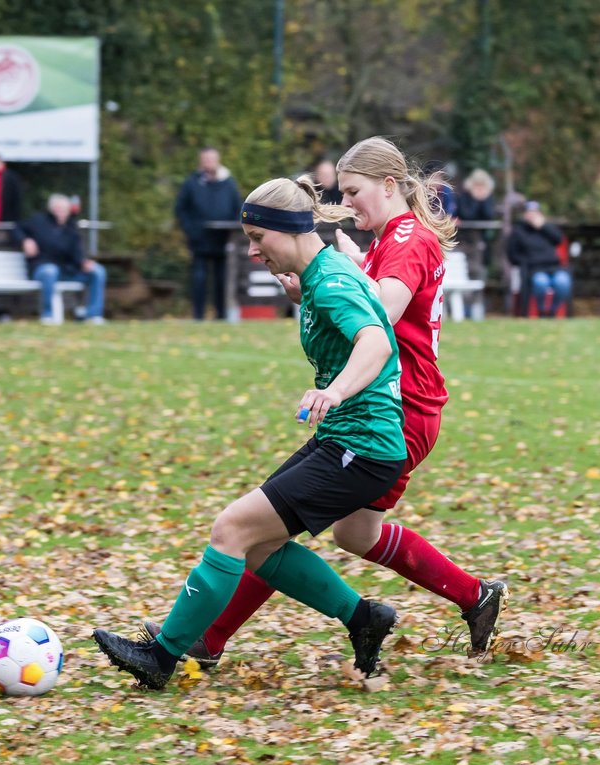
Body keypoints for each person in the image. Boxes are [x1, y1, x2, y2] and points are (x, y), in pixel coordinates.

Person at [144, 137, 508, 668]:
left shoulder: (406, 239)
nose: (349, 202)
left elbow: (378, 311)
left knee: (269, 521)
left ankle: (210, 636)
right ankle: (475, 596)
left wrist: (334, 277)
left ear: (389, 186)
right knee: (352, 532)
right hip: (393, 402)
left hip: (400, 406)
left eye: (355, 191)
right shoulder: (392, 235)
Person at [95, 175, 407, 690]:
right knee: (259, 547)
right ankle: (364, 618)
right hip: (349, 440)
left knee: (232, 530)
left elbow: (374, 341)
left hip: (363, 445)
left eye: (258, 239)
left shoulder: (328, 283)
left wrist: (335, 392)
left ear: (287, 231)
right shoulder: (318, 276)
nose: (251, 251)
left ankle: (162, 659)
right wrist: (301, 297)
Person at [14, 194, 106, 324]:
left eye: (64, 209)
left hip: (66, 271)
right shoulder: (38, 221)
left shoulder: (71, 227)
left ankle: (93, 315)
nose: (61, 212)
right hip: (42, 268)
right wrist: (25, 240)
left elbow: (76, 253)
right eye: (58, 208)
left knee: (98, 271)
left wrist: (82, 262)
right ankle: (48, 315)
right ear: (51, 208)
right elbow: (16, 228)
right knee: (50, 271)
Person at [175, 147, 242, 320]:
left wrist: (233, 231)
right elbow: (181, 209)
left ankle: (221, 315)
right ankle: (198, 316)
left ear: (218, 160)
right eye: (205, 159)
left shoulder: (229, 183)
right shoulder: (191, 183)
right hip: (199, 240)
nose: (209, 162)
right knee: (199, 279)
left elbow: (238, 208)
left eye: (212, 159)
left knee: (222, 280)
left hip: (223, 239)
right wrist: (191, 230)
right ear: (200, 161)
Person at [506, 200, 572, 318]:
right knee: (541, 283)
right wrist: (525, 262)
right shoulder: (518, 232)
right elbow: (512, 255)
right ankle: (542, 311)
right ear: (524, 215)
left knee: (563, 282)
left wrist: (544, 227)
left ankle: (552, 311)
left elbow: (558, 239)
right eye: (529, 212)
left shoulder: (547, 229)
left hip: (553, 267)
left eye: (534, 212)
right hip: (533, 269)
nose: (532, 215)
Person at [457, 168, 497, 274]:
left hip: (483, 236)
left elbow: (489, 215)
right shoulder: (464, 195)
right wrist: (475, 200)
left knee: (482, 263)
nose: (479, 188)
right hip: (465, 236)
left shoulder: (488, 197)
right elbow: (466, 215)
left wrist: (483, 199)